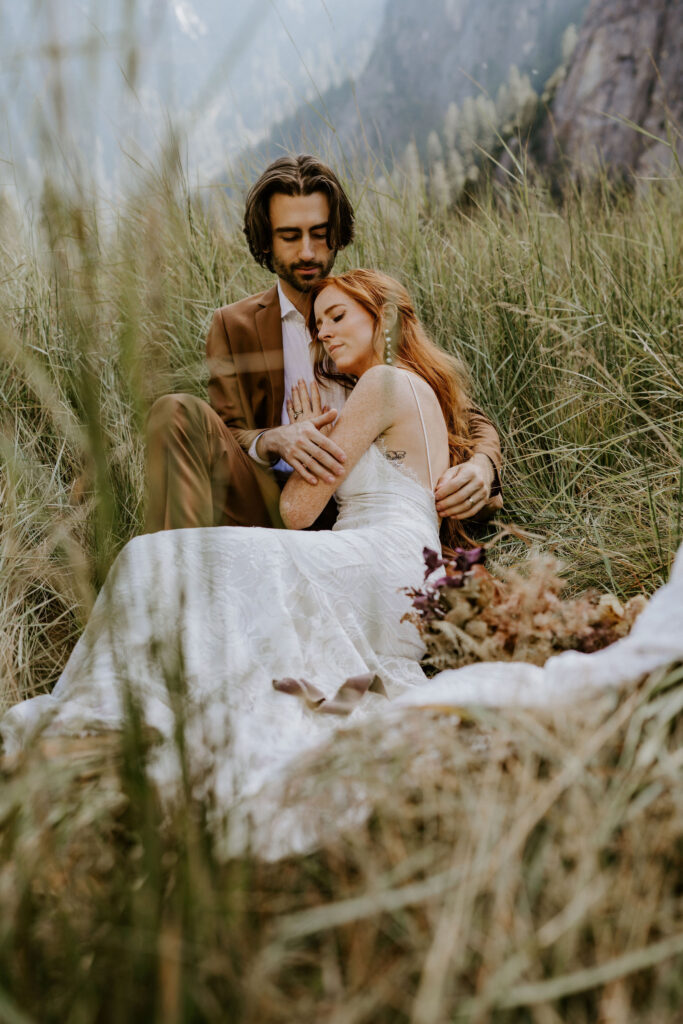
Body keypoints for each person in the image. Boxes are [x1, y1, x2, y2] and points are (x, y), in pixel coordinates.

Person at [0, 270, 478, 818]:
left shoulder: (381, 384)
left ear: (384, 316)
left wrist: (310, 436)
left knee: (152, 555)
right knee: (193, 569)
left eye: (339, 317)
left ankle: (135, 710)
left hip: (377, 563)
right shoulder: (426, 395)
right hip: (404, 579)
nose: (325, 335)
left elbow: (297, 511)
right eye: (319, 326)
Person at [145, 154, 503, 536]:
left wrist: (483, 466)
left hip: (358, 517)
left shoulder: (366, 310)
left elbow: (459, 409)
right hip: (265, 505)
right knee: (175, 411)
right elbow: (228, 433)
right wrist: (273, 440)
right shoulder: (233, 326)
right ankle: (174, 579)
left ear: (337, 233)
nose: (307, 252)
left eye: (319, 233)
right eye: (289, 236)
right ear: (266, 240)